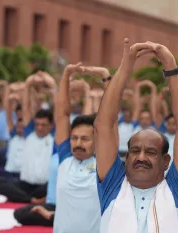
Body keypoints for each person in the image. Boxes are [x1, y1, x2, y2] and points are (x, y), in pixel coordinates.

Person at [94, 39, 178, 233]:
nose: (141, 157)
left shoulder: (176, 190)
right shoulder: (113, 185)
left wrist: (171, 68)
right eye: (134, 151)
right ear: (127, 156)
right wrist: (126, 67)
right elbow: (103, 126)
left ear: (166, 161)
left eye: (150, 152)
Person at [53, 65, 110, 233]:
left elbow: (109, 120)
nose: (78, 143)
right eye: (74, 138)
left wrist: (106, 77)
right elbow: (62, 115)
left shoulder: (104, 164)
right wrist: (66, 74)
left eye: (85, 139)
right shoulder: (65, 157)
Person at [0, 73, 56, 204]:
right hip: (25, 185)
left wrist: (52, 86)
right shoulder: (29, 134)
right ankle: (32, 200)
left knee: (56, 186)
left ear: (51, 126)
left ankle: (25, 198)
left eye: (43, 125)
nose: (39, 127)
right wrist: (28, 83)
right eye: (37, 124)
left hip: (43, 187)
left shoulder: (54, 138)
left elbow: (59, 111)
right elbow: (26, 108)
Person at [13, 153, 59, 226]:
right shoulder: (55, 156)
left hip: (66, 207)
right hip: (39, 189)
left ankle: (54, 217)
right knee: (22, 212)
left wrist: (50, 215)